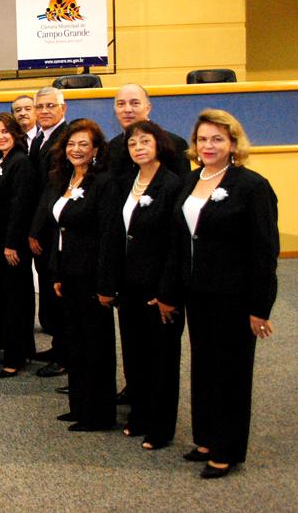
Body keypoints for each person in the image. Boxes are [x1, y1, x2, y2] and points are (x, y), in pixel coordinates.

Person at [158, 110, 278, 479]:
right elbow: (179, 243)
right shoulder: (190, 181)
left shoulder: (252, 186)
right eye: (203, 139)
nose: (208, 146)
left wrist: (260, 307)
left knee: (232, 373)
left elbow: (264, 250)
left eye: (217, 140)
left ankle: (227, 449)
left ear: (233, 144)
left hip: (234, 295)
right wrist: (171, 292)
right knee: (205, 368)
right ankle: (207, 438)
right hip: (198, 293)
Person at [98, 120, 183, 450]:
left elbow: (177, 246)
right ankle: (141, 414)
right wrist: (110, 282)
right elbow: (114, 235)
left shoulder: (173, 185)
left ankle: (161, 427)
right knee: (134, 355)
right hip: (129, 285)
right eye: (133, 144)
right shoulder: (126, 183)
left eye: (145, 142)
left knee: (161, 358)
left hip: (159, 289)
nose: (138, 148)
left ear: (159, 144)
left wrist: (167, 292)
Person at [36, 118, 114, 432]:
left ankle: (99, 414)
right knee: (76, 344)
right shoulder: (67, 178)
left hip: (92, 276)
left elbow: (109, 235)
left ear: (96, 149)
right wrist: (56, 271)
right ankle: (79, 406)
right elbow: (60, 228)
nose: (76, 150)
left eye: (83, 144)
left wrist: (107, 283)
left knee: (96, 346)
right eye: (71, 144)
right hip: (68, 273)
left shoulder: (104, 183)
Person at [0, 113, 36, 378]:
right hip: (2, 239)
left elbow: (20, 206)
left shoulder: (21, 163)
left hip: (13, 244)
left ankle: (15, 357)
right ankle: (21, 349)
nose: (0, 136)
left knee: (17, 299)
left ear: (16, 134)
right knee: (10, 297)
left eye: (5, 131)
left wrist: (10, 244)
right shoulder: (2, 161)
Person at [27, 86, 69, 377]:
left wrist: (35, 229)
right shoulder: (39, 139)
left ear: (62, 109)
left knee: (59, 290)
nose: (44, 111)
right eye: (39, 106)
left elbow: (51, 190)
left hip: (55, 228)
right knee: (50, 289)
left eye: (50, 106)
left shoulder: (65, 140)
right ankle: (58, 344)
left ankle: (66, 354)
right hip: (42, 227)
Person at [107, 84, 190, 178]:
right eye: (121, 104)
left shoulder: (175, 144)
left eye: (135, 103)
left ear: (148, 108)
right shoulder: (112, 147)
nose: (127, 110)